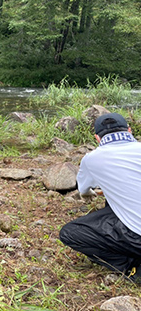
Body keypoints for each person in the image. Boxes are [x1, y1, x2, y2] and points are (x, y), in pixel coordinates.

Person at [59, 112, 141, 283]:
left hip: (137, 238)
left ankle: (131, 267)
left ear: (97, 138)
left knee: (70, 233)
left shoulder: (92, 159)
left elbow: (84, 190)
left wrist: (96, 192)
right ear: (130, 130)